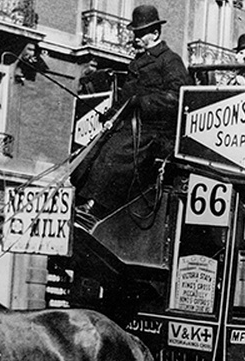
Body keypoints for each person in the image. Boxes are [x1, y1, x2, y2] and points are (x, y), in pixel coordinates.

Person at [71, 4, 190, 220]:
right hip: (131, 126)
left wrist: (142, 102)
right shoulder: (137, 61)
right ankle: (82, 202)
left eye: (141, 33)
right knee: (93, 149)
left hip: (156, 132)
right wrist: (110, 115)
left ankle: (99, 209)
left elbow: (177, 98)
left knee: (114, 154)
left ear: (155, 33)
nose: (136, 37)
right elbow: (126, 97)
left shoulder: (169, 60)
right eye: (135, 32)